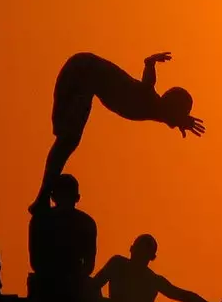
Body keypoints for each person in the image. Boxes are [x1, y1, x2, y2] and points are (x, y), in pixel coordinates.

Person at [32, 52, 203, 211]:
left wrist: (181, 119)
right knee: (68, 140)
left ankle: (43, 197)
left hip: (84, 74)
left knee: (68, 140)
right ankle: (42, 198)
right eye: (179, 114)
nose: (175, 124)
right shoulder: (148, 99)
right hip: (82, 71)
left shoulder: (155, 108)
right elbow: (149, 80)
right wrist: (151, 63)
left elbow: (165, 114)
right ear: (171, 107)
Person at [27, 173, 96, 302]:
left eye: (67, 196)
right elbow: (36, 262)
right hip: (47, 282)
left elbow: (89, 265)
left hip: (75, 282)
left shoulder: (86, 223)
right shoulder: (40, 220)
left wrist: (74, 278)